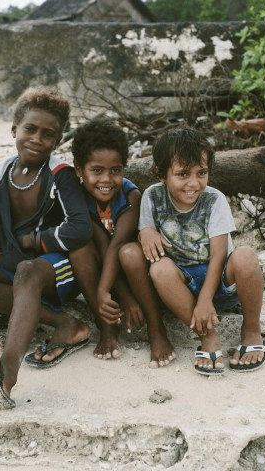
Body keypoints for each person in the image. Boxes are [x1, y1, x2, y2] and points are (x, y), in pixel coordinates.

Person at [0, 86, 93, 409]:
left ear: (58, 141)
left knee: (27, 271)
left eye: (48, 134)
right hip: (18, 268)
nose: (37, 139)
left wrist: (35, 241)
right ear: (14, 129)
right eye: (30, 129)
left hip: (57, 269)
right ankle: (67, 324)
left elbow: (80, 227)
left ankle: (6, 374)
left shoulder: (59, 175)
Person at [119, 127, 265, 375]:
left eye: (201, 173)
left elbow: (219, 254)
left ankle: (252, 331)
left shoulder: (214, 200)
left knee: (245, 256)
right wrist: (145, 230)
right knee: (159, 268)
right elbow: (145, 231)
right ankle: (208, 336)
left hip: (220, 281)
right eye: (182, 174)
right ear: (160, 174)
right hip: (181, 288)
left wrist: (205, 300)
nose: (194, 183)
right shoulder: (152, 197)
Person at [69, 118, 176, 365]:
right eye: (96, 170)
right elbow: (101, 246)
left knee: (128, 252)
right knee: (78, 252)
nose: (107, 180)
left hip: (135, 272)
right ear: (78, 169)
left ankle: (156, 328)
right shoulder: (77, 198)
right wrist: (112, 295)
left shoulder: (130, 196)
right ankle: (107, 328)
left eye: (115, 170)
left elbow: (116, 245)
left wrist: (116, 293)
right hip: (102, 270)